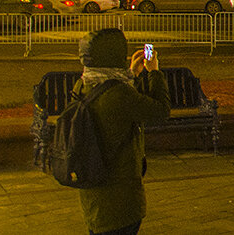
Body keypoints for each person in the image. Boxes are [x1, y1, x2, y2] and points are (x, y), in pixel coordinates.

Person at [72, 28, 171, 235]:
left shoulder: (82, 86)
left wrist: (131, 74)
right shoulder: (119, 94)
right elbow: (160, 111)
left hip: (93, 193)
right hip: (120, 198)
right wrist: (154, 71)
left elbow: (111, 94)